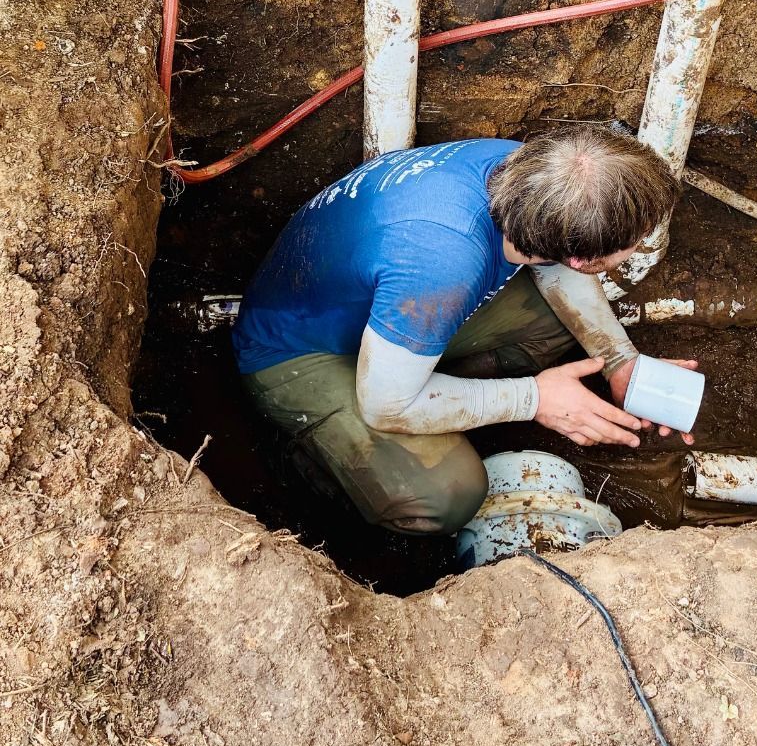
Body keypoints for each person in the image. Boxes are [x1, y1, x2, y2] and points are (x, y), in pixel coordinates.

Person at [233, 127, 696, 536]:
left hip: (374, 307)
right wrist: (533, 399)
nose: (639, 246)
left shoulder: (530, 171)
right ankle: (316, 457)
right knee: (448, 495)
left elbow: (560, 268)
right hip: (296, 351)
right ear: (583, 257)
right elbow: (385, 405)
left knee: (559, 322)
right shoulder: (443, 265)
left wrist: (618, 359)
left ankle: (425, 380)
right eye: (635, 242)